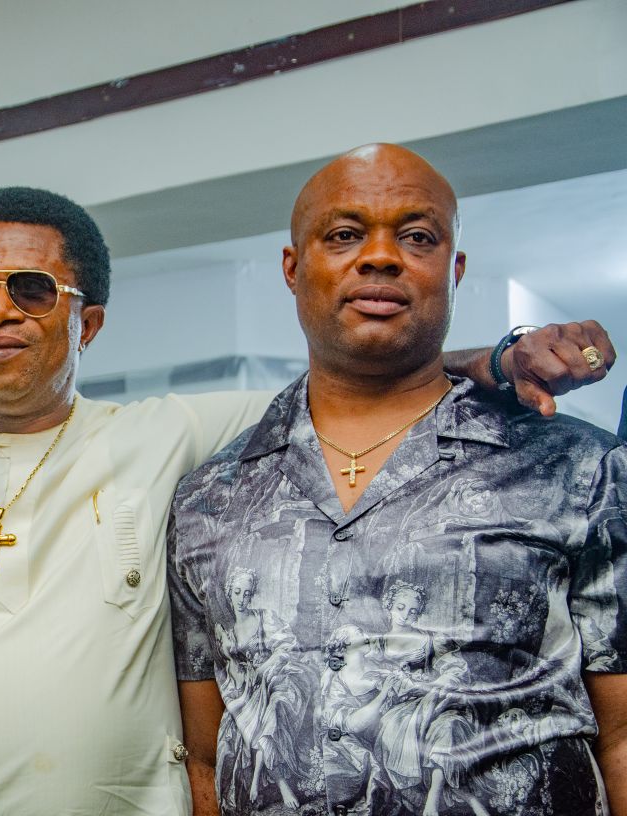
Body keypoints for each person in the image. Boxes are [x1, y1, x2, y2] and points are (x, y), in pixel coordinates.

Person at [0, 186, 612, 816]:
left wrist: (492, 360)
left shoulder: (169, 438)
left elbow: (361, 384)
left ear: (87, 323)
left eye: (32, 289)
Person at [169, 144, 625, 816]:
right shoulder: (209, 498)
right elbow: (207, 759)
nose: (381, 256)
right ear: (293, 269)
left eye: (417, 237)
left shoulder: (578, 468)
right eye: (344, 235)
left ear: (454, 269)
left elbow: (622, 736)